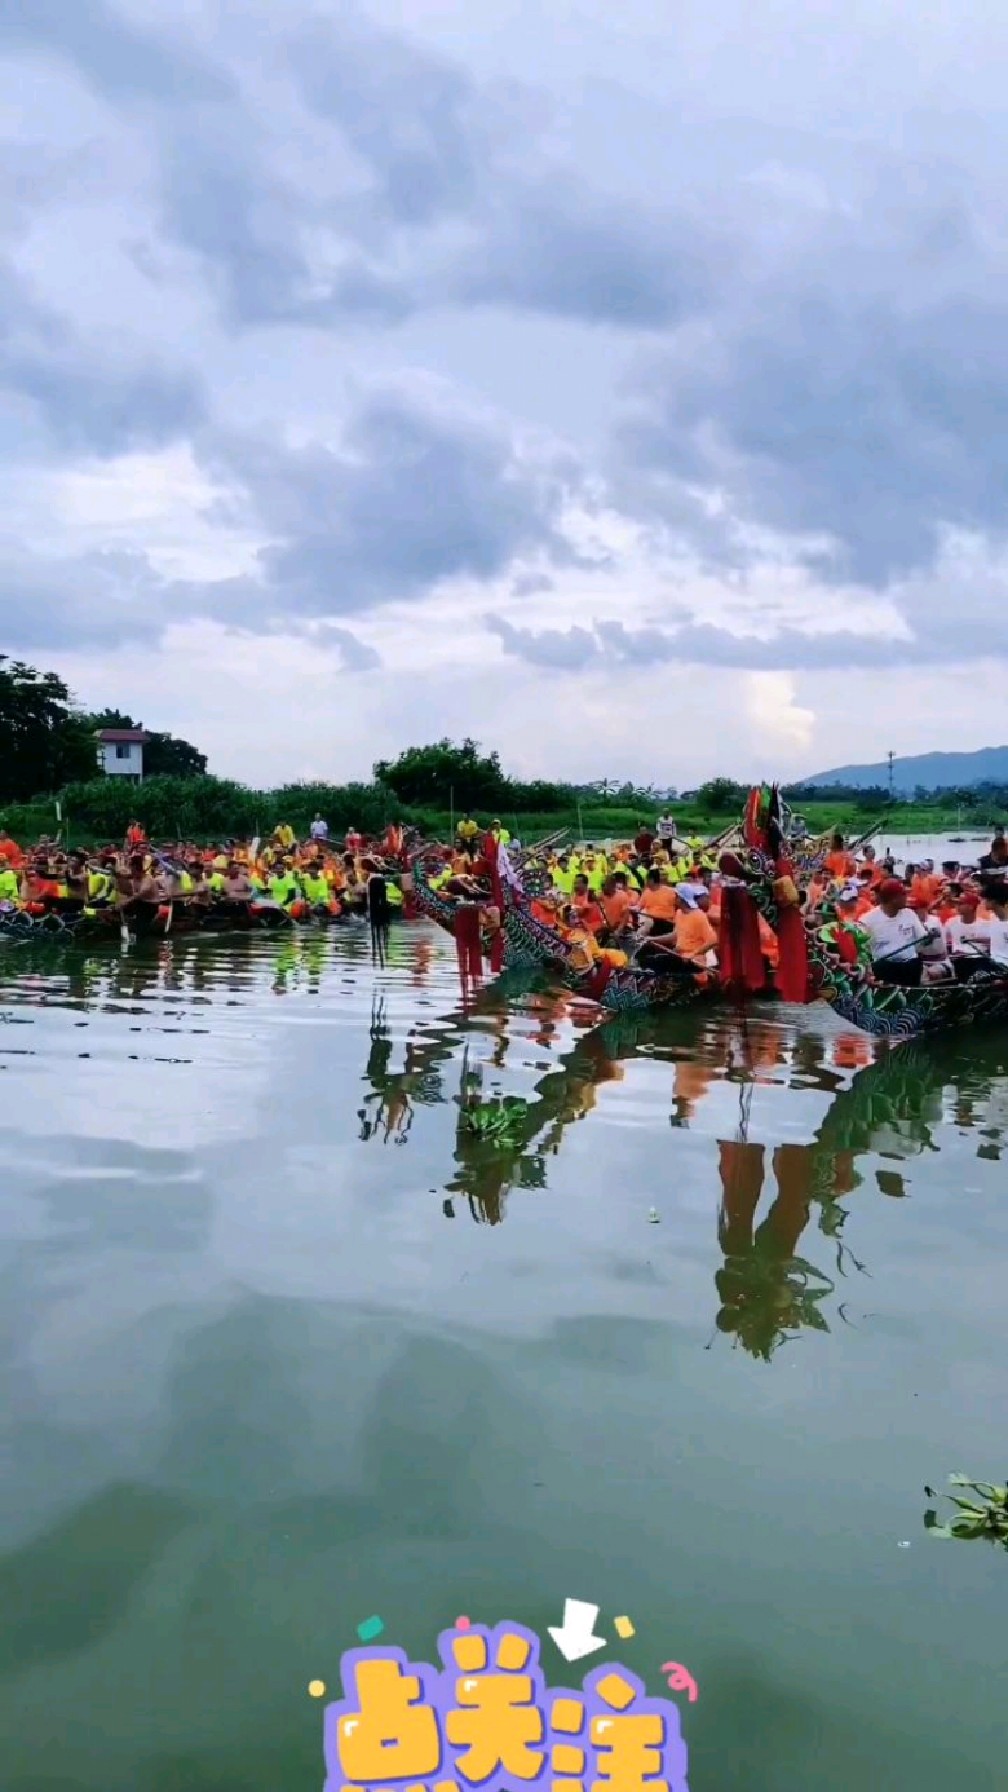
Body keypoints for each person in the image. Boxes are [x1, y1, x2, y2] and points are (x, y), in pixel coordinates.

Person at [859, 877, 939, 986]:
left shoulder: (910, 914)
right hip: (884, 968)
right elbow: (862, 950)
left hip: (910, 966)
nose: (907, 897)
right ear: (893, 899)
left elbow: (922, 940)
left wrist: (929, 937)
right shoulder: (867, 920)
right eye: (903, 894)